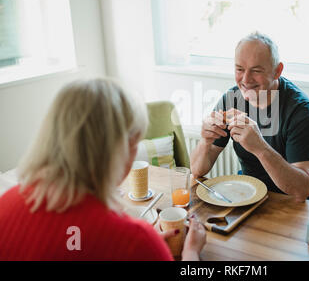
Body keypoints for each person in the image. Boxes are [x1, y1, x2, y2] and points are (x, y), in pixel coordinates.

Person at [0, 78, 206, 260]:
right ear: (119, 152)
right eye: (135, 144)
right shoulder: (136, 240)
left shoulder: (5, 204)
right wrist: (191, 253)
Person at [190, 32, 309, 206]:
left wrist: (259, 147)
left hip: (308, 189)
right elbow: (197, 171)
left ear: (277, 71)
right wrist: (205, 142)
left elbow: (301, 190)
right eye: (239, 69)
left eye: (256, 71)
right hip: (255, 185)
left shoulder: (300, 110)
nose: (245, 80)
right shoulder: (231, 99)